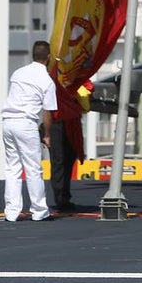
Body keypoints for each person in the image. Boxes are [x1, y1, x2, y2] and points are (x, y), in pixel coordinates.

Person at [1, 40, 57, 222]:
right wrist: (47, 135)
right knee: (33, 169)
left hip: (8, 122)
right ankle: (39, 211)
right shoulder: (47, 81)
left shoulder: (18, 73)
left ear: (33, 55)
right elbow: (47, 112)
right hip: (26, 124)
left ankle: (12, 211)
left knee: (12, 169)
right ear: (48, 57)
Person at [49, 79, 90, 211]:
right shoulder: (52, 75)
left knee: (69, 158)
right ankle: (61, 198)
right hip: (57, 119)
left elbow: (88, 88)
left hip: (72, 119)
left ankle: (64, 197)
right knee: (58, 160)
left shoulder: (77, 75)